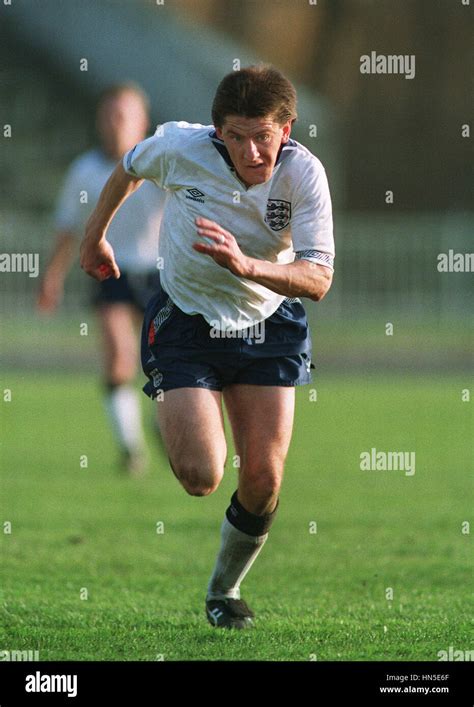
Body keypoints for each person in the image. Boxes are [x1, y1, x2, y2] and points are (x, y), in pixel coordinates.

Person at [80, 65, 335, 628]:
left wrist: (246, 266)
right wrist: (95, 234)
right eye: (237, 136)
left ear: (286, 129)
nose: (251, 150)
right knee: (201, 476)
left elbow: (317, 279)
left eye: (263, 136)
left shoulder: (304, 175)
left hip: (268, 325)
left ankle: (224, 591)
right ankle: (179, 407)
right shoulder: (178, 146)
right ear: (218, 131)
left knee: (265, 478)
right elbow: (127, 167)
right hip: (187, 322)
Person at [38, 83, 167, 474]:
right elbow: (66, 227)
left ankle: (166, 420)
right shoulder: (85, 169)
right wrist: (52, 276)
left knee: (167, 364)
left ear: (141, 121)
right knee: (118, 358)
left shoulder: (159, 163)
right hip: (111, 271)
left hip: (161, 275)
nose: (115, 123)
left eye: (123, 114)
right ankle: (131, 449)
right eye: (109, 114)